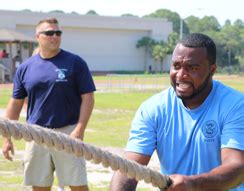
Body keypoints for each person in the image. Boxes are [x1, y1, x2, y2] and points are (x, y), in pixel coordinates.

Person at [109, 33, 244, 191]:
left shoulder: (235, 105)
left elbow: (237, 168)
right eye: (176, 66)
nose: (181, 75)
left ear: (212, 69)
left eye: (192, 68)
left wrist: (192, 184)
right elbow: (129, 169)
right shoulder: (153, 108)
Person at [2, 18, 96, 191]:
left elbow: (88, 98)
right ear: (38, 36)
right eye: (49, 33)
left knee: (78, 186)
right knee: (39, 187)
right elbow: (15, 104)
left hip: (68, 133)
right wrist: (7, 138)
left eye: (58, 33)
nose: (55, 36)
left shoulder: (75, 62)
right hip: (36, 134)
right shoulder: (25, 67)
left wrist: (79, 130)